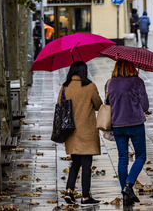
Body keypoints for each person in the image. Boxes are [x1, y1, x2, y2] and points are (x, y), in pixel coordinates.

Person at [58, 61, 103, 206]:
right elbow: (98, 106)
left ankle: (69, 191)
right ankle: (85, 196)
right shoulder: (90, 87)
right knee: (86, 165)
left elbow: (59, 105)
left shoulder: (65, 88)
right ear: (84, 72)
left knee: (75, 163)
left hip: (71, 131)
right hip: (87, 132)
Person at [105, 59, 149, 206]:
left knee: (122, 158)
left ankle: (126, 195)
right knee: (141, 156)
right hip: (135, 124)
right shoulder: (137, 81)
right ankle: (128, 185)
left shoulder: (110, 83)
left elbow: (107, 104)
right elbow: (145, 106)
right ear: (132, 66)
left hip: (118, 125)